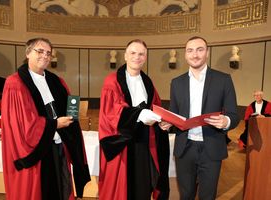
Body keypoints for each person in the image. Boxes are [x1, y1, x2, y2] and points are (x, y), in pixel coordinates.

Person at [1, 37, 90, 200]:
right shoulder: (15, 83)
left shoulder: (56, 81)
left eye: (48, 53)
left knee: (61, 187)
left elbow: (70, 107)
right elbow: (24, 123)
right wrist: (55, 124)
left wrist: (71, 115)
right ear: (28, 53)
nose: (45, 56)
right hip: (38, 150)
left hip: (58, 145)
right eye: (40, 51)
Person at [98, 39, 170, 200]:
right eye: (133, 53)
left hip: (144, 142)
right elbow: (111, 112)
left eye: (141, 54)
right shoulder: (112, 81)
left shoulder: (147, 81)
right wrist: (138, 115)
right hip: (123, 143)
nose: (137, 57)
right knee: (122, 190)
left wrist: (162, 120)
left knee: (142, 186)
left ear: (145, 58)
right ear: (125, 56)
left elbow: (156, 106)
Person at [169, 36, 240, 200]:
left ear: (207, 53)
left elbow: (234, 115)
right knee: (185, 195)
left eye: (200, 49)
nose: (195, 55)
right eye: (190, 50)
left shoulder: (223, 79)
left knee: (208, 196)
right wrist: (167, 124)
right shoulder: (176, 83)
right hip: (184, 149)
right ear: (185, 54)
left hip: (211, 148)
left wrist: (226, 121)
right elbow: (173, 114)